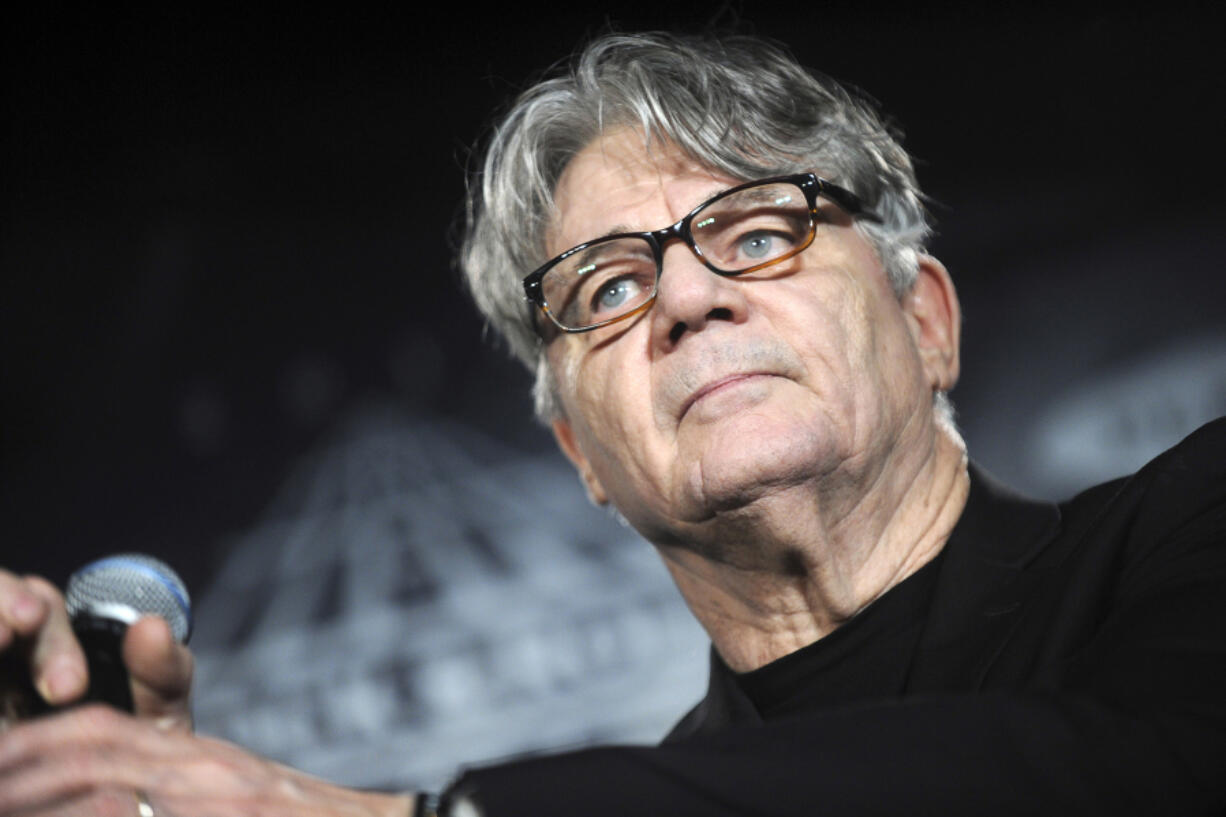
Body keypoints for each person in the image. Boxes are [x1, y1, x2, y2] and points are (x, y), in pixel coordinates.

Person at [2, 31, 1224, 817]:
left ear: (924, 321)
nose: (686, 296)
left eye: (757, 232)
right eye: (609, 288)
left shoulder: (1190, 529)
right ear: (581, 455)